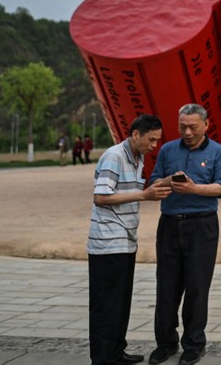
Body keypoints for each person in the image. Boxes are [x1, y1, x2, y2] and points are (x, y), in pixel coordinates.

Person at [148, 104, 221, 365]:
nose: (187, 131)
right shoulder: (167, 150)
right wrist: (169, 181)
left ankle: (193, 344)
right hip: (170, 224)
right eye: (182, 126)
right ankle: (166, 343)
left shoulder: (219, 152)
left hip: (202, 226)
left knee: (196, 286)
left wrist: (194, 189)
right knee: (167, 286)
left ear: (206, 125)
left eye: (193, 126)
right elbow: (153, 182)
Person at [87, 114, 172, 365]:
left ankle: (116, 351)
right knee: (105, 304)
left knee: (120, 302)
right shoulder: (114, 156)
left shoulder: (137, 157)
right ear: (136, 134)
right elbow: (101, 197)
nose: (154, 145)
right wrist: (144, 196)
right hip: (107, 243)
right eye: (151, 139)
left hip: (125, 240)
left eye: (157, 140)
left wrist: (164, 183)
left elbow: (134, 190)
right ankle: (102, 358)